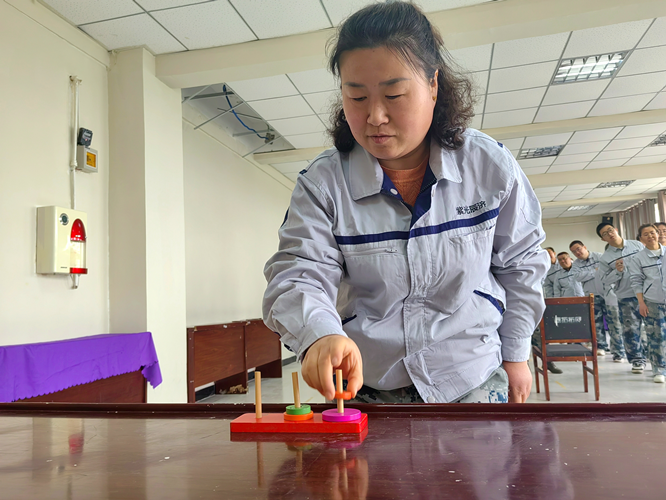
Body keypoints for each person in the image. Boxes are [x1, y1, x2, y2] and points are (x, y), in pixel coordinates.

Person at [263, 1, 549, 405]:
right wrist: (319, 335)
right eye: (356, 97)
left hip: (471, 375)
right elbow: (298, 273)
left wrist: (517, 353)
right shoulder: (323, 184)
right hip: (367, 385)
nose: (375, 116)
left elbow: (522, 265)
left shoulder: (488, 166)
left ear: (433, 85)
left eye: (394, 94)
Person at [597, 223, 646, 373]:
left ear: (616, 230)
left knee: (652, 328)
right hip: (626, 295)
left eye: (610, 230)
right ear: (603, 239)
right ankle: (637, 360)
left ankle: (656, 358)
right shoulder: (605, 258)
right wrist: (617, 272)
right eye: (605, 234)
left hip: (647, 293)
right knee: (631, 329)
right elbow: (605, 280)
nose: (610, 234)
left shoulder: (636, 245)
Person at [628, 224, 666, 383]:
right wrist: (641, 303)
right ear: (641, 238)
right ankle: (659, 370)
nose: (650, 236)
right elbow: (636, 281)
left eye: (652, 232)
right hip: (653, 301)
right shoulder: (637, 258)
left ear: (657, 234)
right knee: (656, 337)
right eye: (646, 234)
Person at [570, 240, 620, 358]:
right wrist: (595, 271)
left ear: (584, 247)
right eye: (574, 252)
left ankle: (618, 351)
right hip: (592, 296)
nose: (577, 253)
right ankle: (601, 347)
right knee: (596, 323)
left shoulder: (600, 257)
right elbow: (578, 277)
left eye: (578, 249)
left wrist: (587, 273)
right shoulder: (576, 265)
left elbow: (607, 271)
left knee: (614, 323)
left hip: (608, 294)